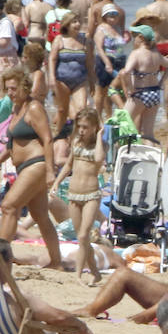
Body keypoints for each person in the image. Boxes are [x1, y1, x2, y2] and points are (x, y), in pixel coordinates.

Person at [0, 67, 61, 268]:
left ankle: (1, 257)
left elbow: (47, 139)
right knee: (41, 217)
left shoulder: (34, 108)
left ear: (24, 87)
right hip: (25, 166)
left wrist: (49, 171)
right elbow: (14, 142)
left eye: (13, 89)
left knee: (9, 205)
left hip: (36, 164)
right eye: (7, 89)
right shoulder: (17, 109)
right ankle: (57, 262)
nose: (10, 93)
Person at [50, 108, 107, 286]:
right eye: (79, 126)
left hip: (91, 194)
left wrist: (99, 135)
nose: (81, 130)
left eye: (86, 127)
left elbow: (98, 159)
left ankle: (78, 275)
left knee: (83, 236)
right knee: (80, 237)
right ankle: (96, 273)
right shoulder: (76, 142)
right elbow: (68, 166)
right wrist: (56, 182)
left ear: (94, 127)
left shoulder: (100, 145)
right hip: (74, 194)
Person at [119, 25, 168, 141]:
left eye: (135, 37)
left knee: (122, 124)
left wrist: (129, 88)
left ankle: (121, 154)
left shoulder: (136, 53)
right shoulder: (155, 53)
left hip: (139, 94)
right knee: (148, 134)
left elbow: (125, 72)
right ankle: (152, 156)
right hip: (154, 94)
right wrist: (161, 82)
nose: (134, 39)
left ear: (141, 37)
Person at [48, 12, 91, 125]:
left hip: (80, 81)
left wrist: (92, 80)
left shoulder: (84, 40)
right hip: (62, 80)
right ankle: (60, 136)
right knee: (63, 110)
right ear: (67, 25)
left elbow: (90, 62)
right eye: (74, 22)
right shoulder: (59, 39)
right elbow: (52, 59)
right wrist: (51, 77)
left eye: (78, 22)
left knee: (82, 109)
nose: (77, 24)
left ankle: (76, 136)